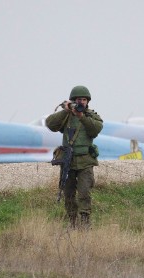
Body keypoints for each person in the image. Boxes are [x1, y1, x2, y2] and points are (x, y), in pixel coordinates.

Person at [46, 85, 103, 228]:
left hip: (85, 161)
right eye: (78, 100)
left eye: (84, 100)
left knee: (84, 192)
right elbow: (50, 124)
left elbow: (96, 129)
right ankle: (72, 222)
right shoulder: (66, 117)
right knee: (69, 193)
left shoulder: (91, 116)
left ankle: (85, 222)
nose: (81, 102)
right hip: (68, 161)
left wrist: (81, 117)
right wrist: (65, 110)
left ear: (87, 101)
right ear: (73, 100)